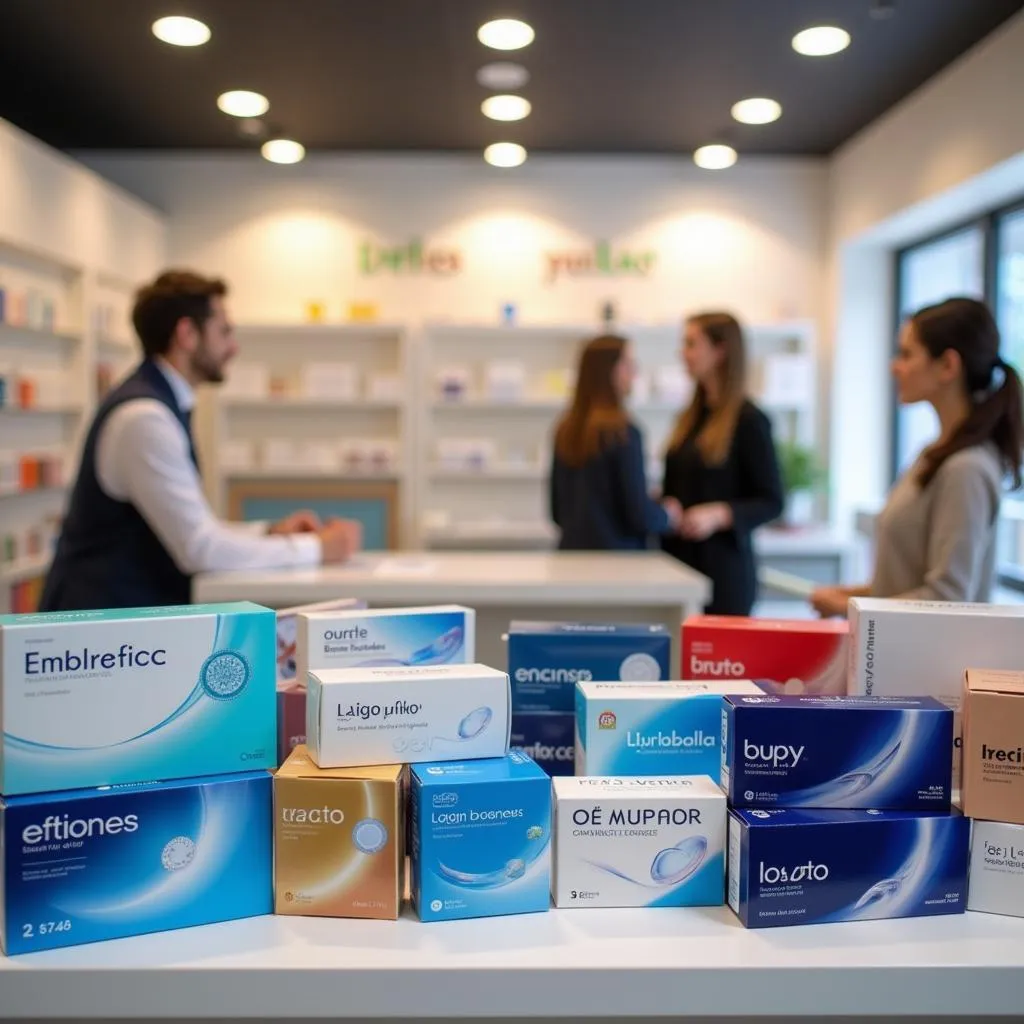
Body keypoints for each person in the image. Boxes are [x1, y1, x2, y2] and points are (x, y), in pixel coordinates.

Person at [41, 270, 362, 612]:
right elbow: (199, 549)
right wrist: (318, 549)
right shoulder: (144, 418)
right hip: (97, 638)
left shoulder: (160, 404)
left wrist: (270, 532)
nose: (233, 347)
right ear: (187, 334)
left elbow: (193, 528)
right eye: (224, 332)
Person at [811, 297, 1023, 617]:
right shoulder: (935, 454)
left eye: (907, 354)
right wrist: (854, 595)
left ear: (948, 366)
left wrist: (848, 606)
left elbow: (946, 598)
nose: (894, 366)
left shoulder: (966, 468)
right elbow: (905, 583)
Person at [661, 312, 784, 615]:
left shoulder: (749, 421)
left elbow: (772, 501)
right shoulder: (690, 419)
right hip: (678, 564)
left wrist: (719, 514)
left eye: (691, 344)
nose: (683, 353)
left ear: (720, 350)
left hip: (724, 573)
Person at [549, 334, 682, 549]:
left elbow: (556, 513)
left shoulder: (565, 430)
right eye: (628, 364)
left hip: (573, 558)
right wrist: (667, 515)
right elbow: (638, 515)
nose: (634, 372)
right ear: (608, 370)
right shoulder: (623, 433)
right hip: (619, 562)